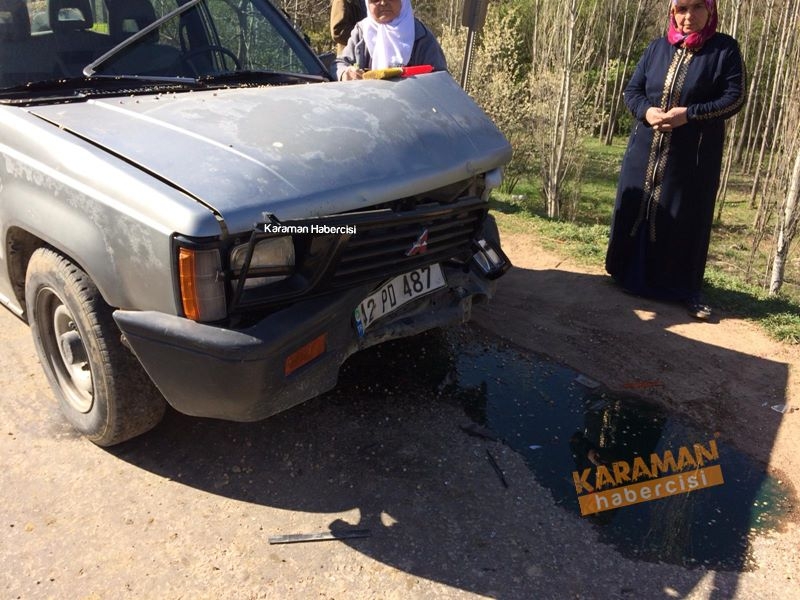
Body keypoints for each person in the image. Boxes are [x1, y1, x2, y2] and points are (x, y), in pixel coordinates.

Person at [604, 0, 745, 320]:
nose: (688, 16)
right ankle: (627, 275)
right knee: (639, 211)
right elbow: (632, 91)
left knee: (683, 218)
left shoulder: (724, 50)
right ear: (672, 12)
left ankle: (681, 289)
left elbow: (734, 98)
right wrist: (646, 111)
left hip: (691, 159)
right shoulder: (656, 48)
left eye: (697, 8)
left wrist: (690, 115)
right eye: (681, 8)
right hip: (643, 152)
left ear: (710, 11)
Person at [334, 0, 447, 81]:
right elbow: (340, 63)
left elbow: (441, 79)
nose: (383, 3)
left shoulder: (421, 36)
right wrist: (345, 73)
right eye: (375, 0)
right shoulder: (361, 32)